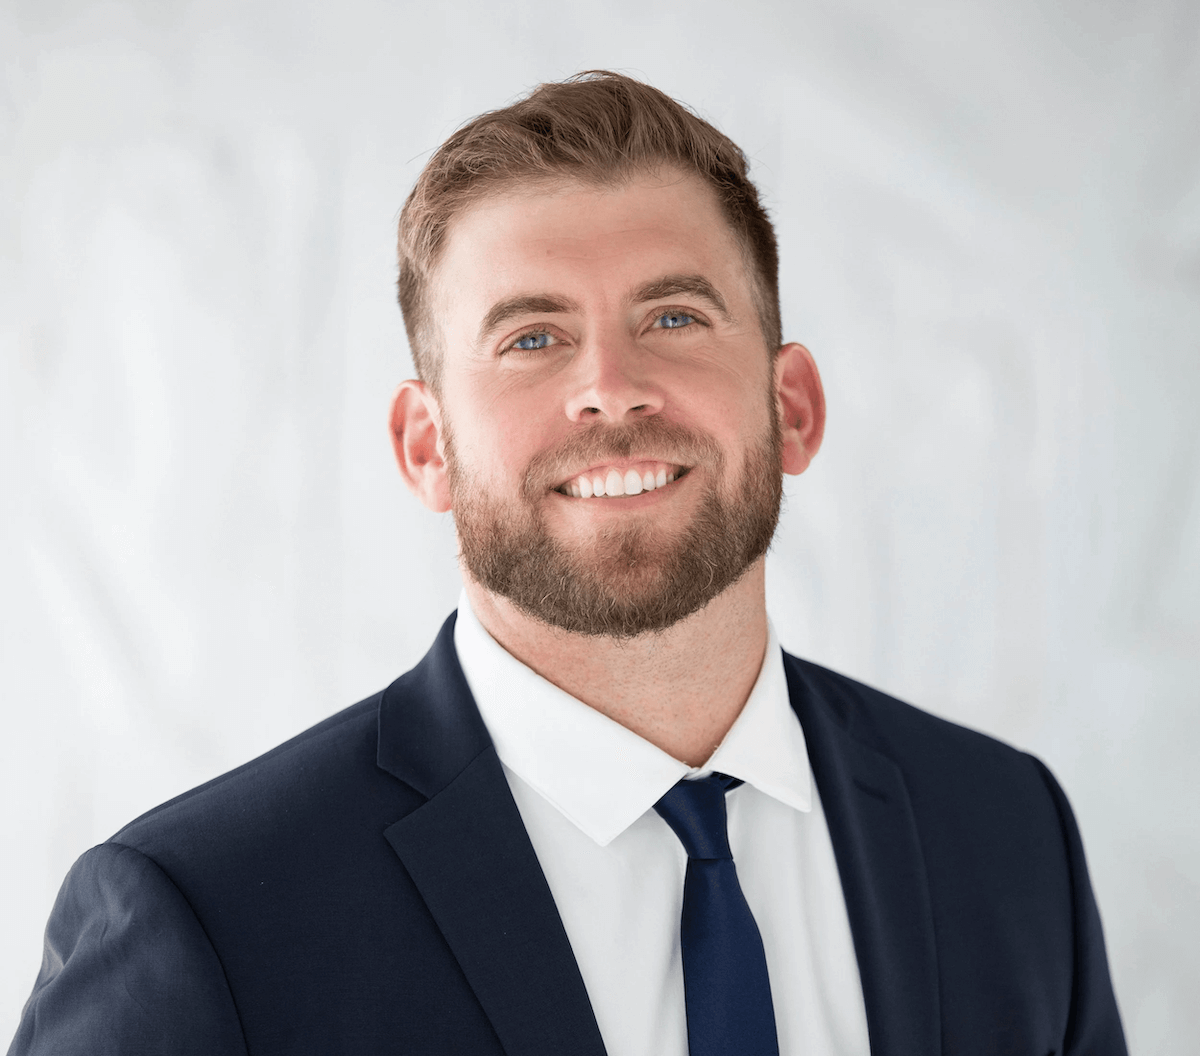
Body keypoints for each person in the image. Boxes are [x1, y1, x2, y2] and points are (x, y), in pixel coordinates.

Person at [9, 72, 1127, 1056]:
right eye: (532, 338)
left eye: (676, 317)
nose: (611, 386)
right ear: (425, 446)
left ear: (793, 408)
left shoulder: (1005, 831)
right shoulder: (207, 918)